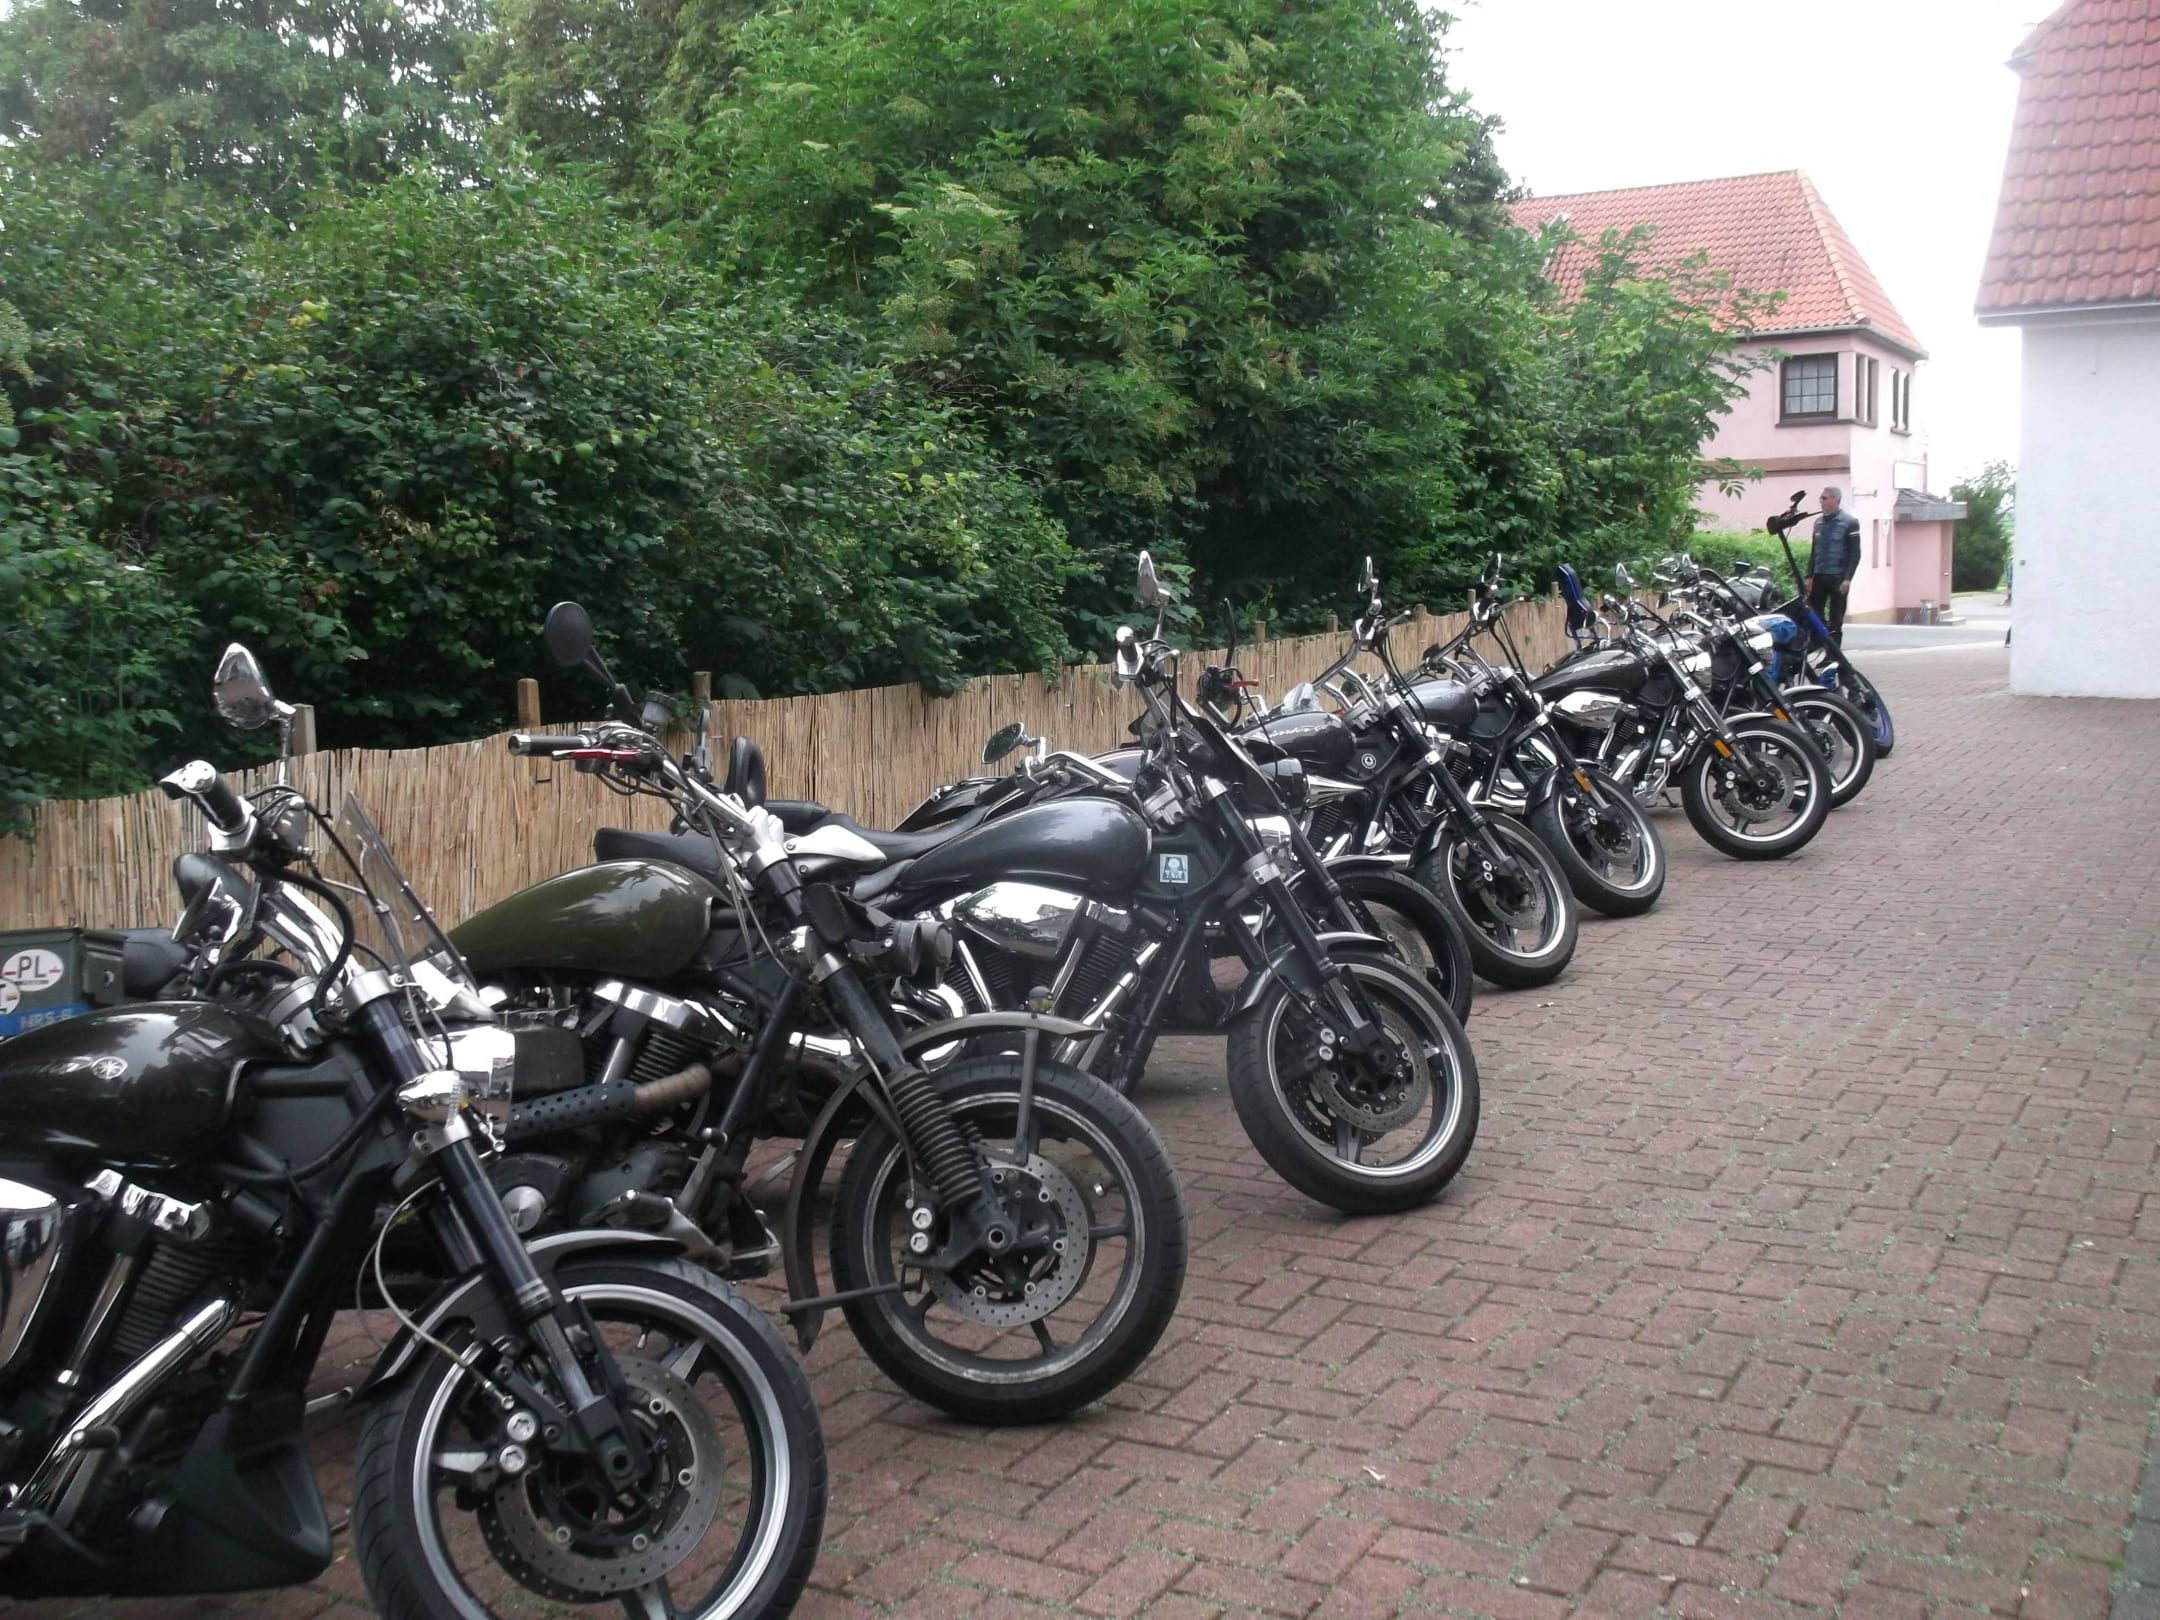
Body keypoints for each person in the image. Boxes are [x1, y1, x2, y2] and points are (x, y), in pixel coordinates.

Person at [1803, 486, 1862, 640]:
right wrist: (1809, 576)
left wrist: (1847, 579)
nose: (1821, 501)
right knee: (1815, 617)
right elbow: (1814, 552)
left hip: (1838, 577)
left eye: (1824, 498)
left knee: (1836, 619)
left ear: (1835, 500)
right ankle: (1819, 645)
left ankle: (1834, 652)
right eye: (1821, 498)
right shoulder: (1818, 523)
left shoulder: (1850, 522)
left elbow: (1855, 553)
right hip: (1819, 576)